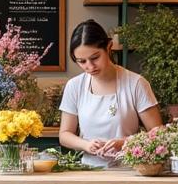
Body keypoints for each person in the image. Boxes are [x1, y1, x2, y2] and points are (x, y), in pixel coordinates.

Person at [58, 19, 163, 168]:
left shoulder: (136, 84)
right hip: (89, 173)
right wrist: (86, 145)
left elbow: (158, 134)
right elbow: (65, 134)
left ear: (108, 47)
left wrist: (124, 143)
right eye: (82, 61)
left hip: (129, 172)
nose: (90, 66)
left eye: (95, 58)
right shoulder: (74, 86)